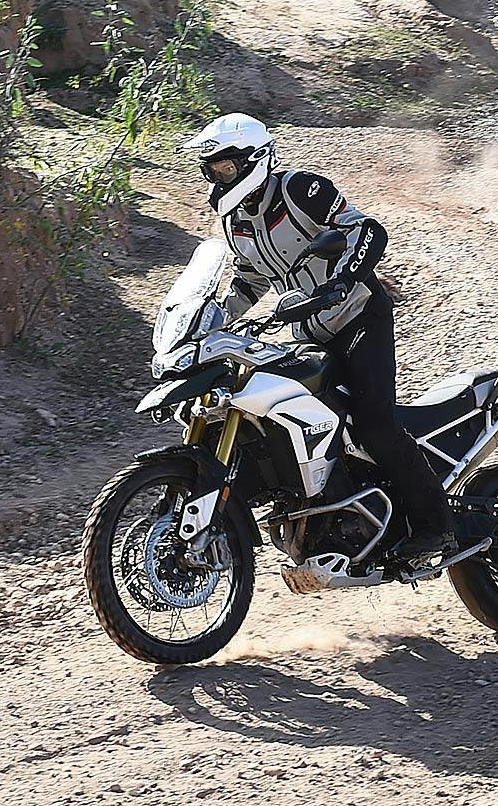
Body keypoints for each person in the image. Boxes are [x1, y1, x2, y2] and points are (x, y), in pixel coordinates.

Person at [180, 112, 456, 560]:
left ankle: (437, 525)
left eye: (225, 167)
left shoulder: (299, 190)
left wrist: (342, 280)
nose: (216, 176)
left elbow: (366, 230)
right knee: (294, 413)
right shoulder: (235, 222)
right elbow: (248, 282)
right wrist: (208, 322)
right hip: (308, 333)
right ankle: (344, 513)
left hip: (358, 315)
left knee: (374, 423)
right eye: (210, 169)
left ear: (254, 159)